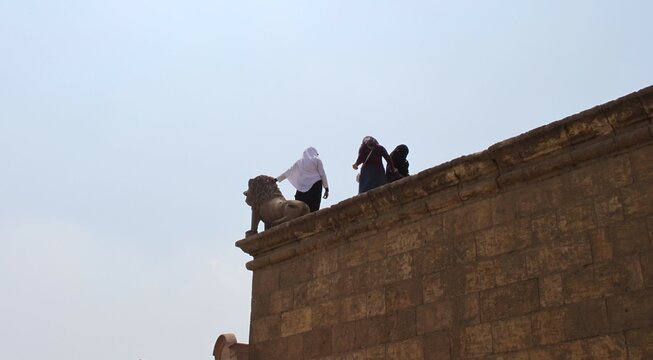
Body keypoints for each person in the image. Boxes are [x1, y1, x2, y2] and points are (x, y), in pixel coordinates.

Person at [276, 147, 329, 212]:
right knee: (314, 208)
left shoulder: (299, 162)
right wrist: (326, 188)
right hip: (316, 186)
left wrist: (277, 179)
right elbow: (322, 174)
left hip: (302, 188)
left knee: (299, 208)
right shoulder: (317, 160)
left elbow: (288, 171)